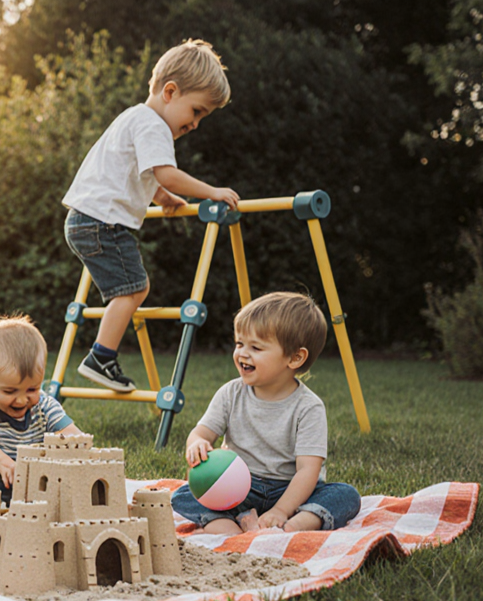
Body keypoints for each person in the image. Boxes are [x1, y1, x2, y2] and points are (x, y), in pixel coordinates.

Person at [63, 39, 240, 392]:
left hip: (87, 219)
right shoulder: (154, 126)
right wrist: (212, 191)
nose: (195, 124)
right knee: (133, 290)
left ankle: (102, 356)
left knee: (130, 289)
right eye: (197, 111)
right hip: (102, 223)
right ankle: (101, 357)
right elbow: (165, 172)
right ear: (170, 92)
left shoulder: (133, 117)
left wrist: (163, 197)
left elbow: (138, 174)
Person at [171, 292, 362, 534]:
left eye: (256, 347)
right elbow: (201, 433)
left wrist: (282, 509)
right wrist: (197, 444)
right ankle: (231, 527)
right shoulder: (230, 393)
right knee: (183, 494)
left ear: (295, 358)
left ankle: (294, 524)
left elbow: (307, 470)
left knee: (345, 495)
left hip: (291, 491)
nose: (242, 353)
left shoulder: (308, 407)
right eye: (240, 343)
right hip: (238, 488)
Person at [0, 315, 82, 508]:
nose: (22, 400)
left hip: (35, 479)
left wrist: (74, 450)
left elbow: (72, 435)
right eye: (9, 391)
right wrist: (0, 462)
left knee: (67, 487)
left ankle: (39, 504)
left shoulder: (45, 406)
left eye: (32, 389)